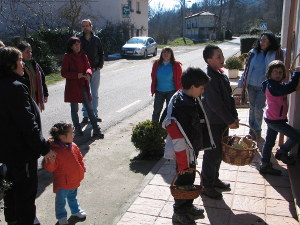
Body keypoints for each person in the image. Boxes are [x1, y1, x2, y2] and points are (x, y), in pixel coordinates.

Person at [0, 47, 56, 225]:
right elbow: (27, 124)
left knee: (11, 190)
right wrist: (44, 148)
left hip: (7, 151)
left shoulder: (4, 83)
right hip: (21, 152)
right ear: (10, 65)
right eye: (19, 60)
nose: (23, 64)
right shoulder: (14, 88)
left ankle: (13, 220)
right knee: (25, 193)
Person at [163, 67, 215, 225]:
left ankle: (188, 207)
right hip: (184, 153)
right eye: (201, 88)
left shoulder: (188, 98)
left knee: (190, 179)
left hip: (191, 150)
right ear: (193, 87)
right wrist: (183, 162)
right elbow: (171, 126)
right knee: (183, 182)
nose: (203, 90)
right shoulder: (181, 104)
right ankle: (179, 213)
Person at [201, 45, 239, 200]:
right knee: (212, 154)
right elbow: (215, 104)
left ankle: (214, 179)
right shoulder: (208, 78)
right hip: (213, 122)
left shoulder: (221, 75)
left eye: (222, 55)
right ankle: (206, 186)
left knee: (220, 153)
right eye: (218, 57)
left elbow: (229, 99)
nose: (222, 59)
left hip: (223, 121)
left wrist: (234, 117)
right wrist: (229, 120)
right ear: (209, 60)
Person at [238, 32, 284, 139]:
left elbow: (284, 56)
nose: (263, 42)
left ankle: (257, 131)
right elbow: (246, 69)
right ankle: (251, 130)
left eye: (266, 40)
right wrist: (241, 82)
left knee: (258, 108)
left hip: (264, 87)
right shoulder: (253, 52)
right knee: (252, 108)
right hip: (251, 85)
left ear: (270, 42)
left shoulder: (274, 54)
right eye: (262, 39)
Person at [259, 60, 300, 175]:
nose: (278, 74)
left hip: (273, 118)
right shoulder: (272, 86)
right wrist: (297, 74)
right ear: (270, 73)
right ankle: (282, 152)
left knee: (269, 142)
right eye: (275, 72)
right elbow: (289, 88)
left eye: (280, 72)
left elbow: (287, 87)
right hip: (275, 120)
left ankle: (265, 164)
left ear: (283, 74)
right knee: (296, 136)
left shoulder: (277, 85)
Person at [43, 122, 87, 225]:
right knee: (60, 201)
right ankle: (61, 217)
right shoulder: (54, 151)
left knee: (73, 197)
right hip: (63, 183)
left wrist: (82, 169)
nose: (73, 134)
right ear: (62, 136)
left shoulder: (73, 146)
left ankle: (76, 211)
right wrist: (50, 162)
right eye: (71, 133)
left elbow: (80, 158)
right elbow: (50, 168)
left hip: (74, 179)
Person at [61, 36, 104, 138]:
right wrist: (76, 75)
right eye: (76, 44)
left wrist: (88, 74)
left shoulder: (83, 55)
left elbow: (88, 67)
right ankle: (78, 129)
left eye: (79, 44)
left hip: (83, 85)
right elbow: (63, 73)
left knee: (89, 108)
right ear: (71, 46)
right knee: (74, 109)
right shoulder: (67, 57)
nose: (78, 46)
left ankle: (96, 129)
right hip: (73, 87)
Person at [80, 19, 104, 123]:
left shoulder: (96, 39)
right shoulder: (79, 40)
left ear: (91, 26)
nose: (85, 28)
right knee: (85, 93)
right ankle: (86, 115)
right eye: (83, 26)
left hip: (95, 70)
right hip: (84, 72)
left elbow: (101, 53)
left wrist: (100, 65)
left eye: (87, 26)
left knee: (94, 94)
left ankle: (94, 114)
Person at [151, 47, 182, 122]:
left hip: (171, 92)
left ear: (171, 55)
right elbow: (153, 76)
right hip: (159, 92)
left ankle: (168, 128)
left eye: (168, 52)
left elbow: (180, 79)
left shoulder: (176, 65)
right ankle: (154, 128)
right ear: (161, 54)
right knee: (156, 111)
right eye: (164, 52)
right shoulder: (156, 64)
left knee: (170, 112)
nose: (166, 54)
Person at [17, 41, 49, 111]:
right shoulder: (18, 67)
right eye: (27, 52)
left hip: (36, 98)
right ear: (20, 53)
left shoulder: (34, 64)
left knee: (36, 115)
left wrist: (45, 93)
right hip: (26, 99)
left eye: (30, 52)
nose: (30, 54)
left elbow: (42, 79)